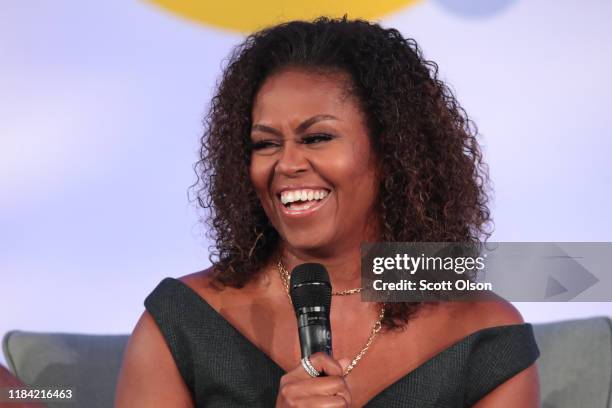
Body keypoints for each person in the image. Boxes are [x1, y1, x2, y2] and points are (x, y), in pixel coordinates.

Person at [115, 17, 540, 407]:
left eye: (317, 137)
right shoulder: (182, 324)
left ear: (392, 151)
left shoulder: (483, 333)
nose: (287, 163)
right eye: (265, 144)